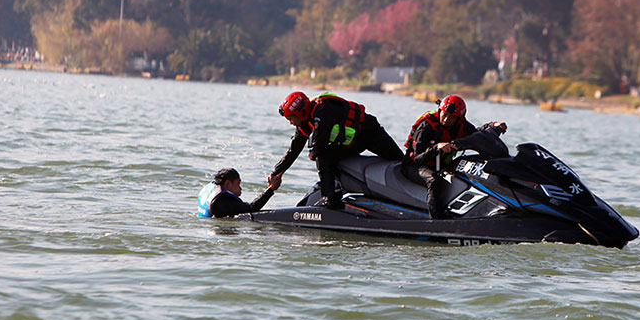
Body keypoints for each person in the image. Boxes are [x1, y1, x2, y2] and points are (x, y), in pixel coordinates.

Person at [268, 91, 404, 209]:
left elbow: (319, 145)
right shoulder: (304, 122)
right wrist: (277, 172)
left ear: (301, 112)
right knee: (323, 157)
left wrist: (313, 153)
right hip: (351, 144)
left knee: (400, 161)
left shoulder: (324, 110)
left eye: (290, 119)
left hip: (369, 133)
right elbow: (294, 150)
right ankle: (331, 199)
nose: (290, 122)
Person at [403, 95, 507, 219]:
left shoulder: (462, 125)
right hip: (414, 166)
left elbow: (477, 135)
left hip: (440, 165)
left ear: (459, 118)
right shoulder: (427, 125)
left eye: (451, 117)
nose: (446, 120)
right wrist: (436, 148)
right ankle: (436, 221)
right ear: (440, 111)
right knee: (434, 180)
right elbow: (417, 158)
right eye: (444, 114)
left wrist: (494, 126)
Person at [198, 168, 281, 218]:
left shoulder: (211, 190)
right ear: (227, 183)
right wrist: (271, 188)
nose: (240, 189)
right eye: (238, 184)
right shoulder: (223, 202)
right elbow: (252, 208)